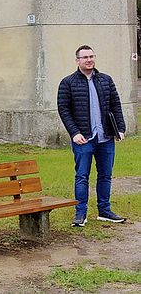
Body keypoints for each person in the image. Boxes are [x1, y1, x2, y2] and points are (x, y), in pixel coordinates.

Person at [57, 45, 126, 227]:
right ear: (77, 60)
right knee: (82, 176)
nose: (89, 60)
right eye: (85, 57)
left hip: (105, 137)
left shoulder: (105, 80)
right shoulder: (68, 82)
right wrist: (74, 133)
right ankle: (81, 214)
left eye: (91, 56)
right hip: (83, 138)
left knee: (105, 175)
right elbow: (64, 110)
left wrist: (120, 128)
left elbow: (115, 105)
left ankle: (104, 210)